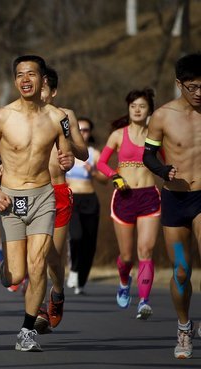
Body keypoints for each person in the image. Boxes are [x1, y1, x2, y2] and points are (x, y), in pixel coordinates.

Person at [0, 55, 73, 352]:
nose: (25, 79)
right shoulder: (3, 117)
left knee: (38, 264)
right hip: (10, 199)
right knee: (16, 274)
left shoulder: (57, 117)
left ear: (43, 79)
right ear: (14, 80)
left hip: (44, 196)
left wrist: (67, 159)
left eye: (31, 74)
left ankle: (27, 330)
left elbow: (65, 154)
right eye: (20, 74)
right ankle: (3, 267)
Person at [143, 52, 201, 359]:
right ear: (179, 83)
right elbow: (148, 155)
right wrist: (162, 170)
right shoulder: (163, 116)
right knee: (180, 270)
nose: (199, 93)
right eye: (192, 86)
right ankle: (183, 328)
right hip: (176, 200)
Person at [98, 88, 160, 321]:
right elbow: (102, 163)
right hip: (124, 198)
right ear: (128, 109)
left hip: (149, 198)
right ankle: (124, 281)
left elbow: (169, 159)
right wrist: (115, 176)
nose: (137, 110)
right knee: (126, 257)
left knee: (145, 251)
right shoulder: (117, 135)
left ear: (149, 111)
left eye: (142, 106)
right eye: (133, 105)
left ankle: (144, 301)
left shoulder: (155, 135)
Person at [35, 67, 87, 334]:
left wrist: (71, 153)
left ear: (53, 91)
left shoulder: (66, 116)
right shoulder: (19, 117)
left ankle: (57, 292)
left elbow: (84, 151)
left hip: (57, 192)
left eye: (43, 87)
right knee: (37, 255)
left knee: (53, 255)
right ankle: (40, 309)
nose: (37, 92)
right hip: (30, 192)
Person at [66, 118, 107, 295]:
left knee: (89, 243)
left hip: (90, 200)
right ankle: (74, 269)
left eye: (86, 130)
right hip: (71, 199)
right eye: (79, 129)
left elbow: (105, 180)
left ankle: (81, 281)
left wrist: (94, 172)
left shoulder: (94, 153)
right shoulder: (65, 151)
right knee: (76, 237)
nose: (82, 133)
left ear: (90, 133)